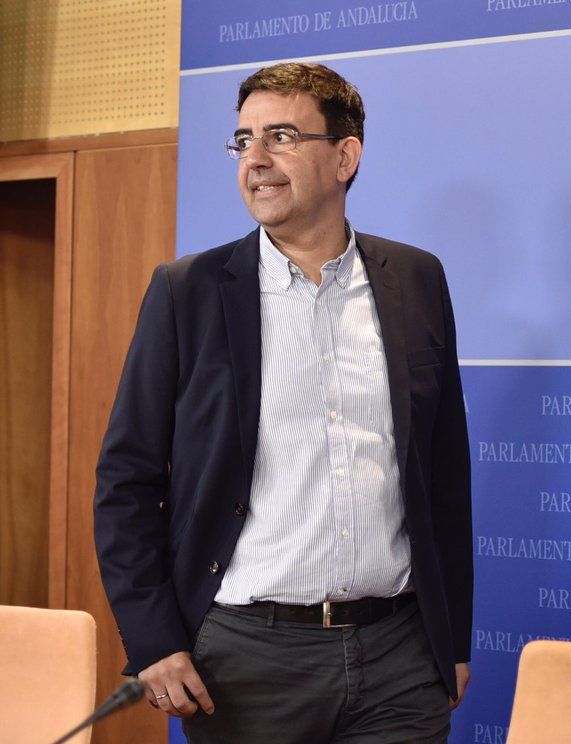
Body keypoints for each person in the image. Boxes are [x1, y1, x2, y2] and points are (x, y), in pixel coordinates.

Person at [94, 62, 472, 743]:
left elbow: (445, 478)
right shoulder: (189, 292)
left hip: (399, 655)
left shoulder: (416, 279)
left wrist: (454, 640)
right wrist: (153, 639)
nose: (256, 160)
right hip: (245, 661)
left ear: (346, 157)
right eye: (243, 141)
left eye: (281, 136)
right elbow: (126, 481)